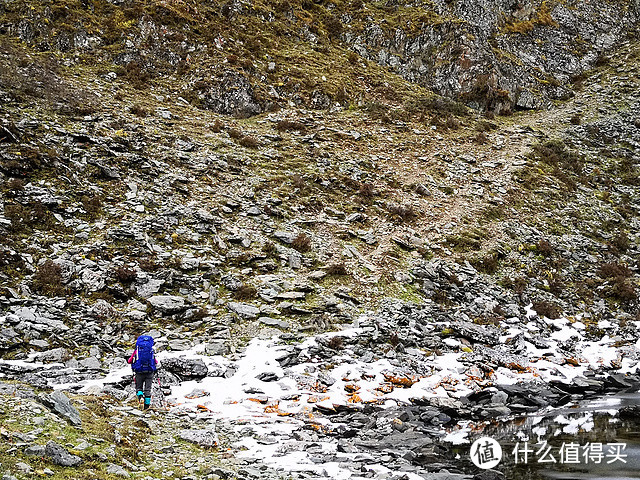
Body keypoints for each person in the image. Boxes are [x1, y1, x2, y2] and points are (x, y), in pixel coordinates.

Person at [127, 334, 159, 410]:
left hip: (139, 371)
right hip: (149, 372)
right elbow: (156, 362)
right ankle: (146, 406)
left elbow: (129, 361)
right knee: (148, 389)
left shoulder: (137, 351)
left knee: (139, 388)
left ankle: (140, 397)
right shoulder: (151, 350)